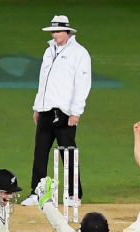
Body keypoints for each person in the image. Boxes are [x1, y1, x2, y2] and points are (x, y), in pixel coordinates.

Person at [22, 15, 92, 207]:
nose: (54, 35)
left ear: (67, 32)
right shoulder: (48, 51)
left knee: (67, 152)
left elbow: (83, 84)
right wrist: (37, 107)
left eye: (58, 31)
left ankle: (74, 194)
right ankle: (37, 192)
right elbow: (42, 81)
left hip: (65, 112)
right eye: (53, 31)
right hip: (45, 109)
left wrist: (76, 112)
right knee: (40, 152)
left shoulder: (80, 54)